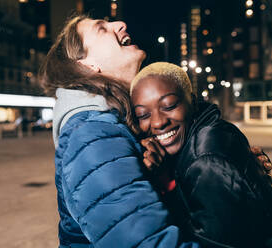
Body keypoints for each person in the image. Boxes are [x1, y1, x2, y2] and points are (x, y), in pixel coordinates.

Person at [40, 16, 200, 248]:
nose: (121, 24)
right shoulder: (92, 135)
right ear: (86, 64)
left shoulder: (117, 123)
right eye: (102, 29)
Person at [130, 62, 272, 248]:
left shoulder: (206, 162)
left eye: (169, 106)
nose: (157, 122)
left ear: (193, 101)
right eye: (143, 115)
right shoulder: (212, 129)